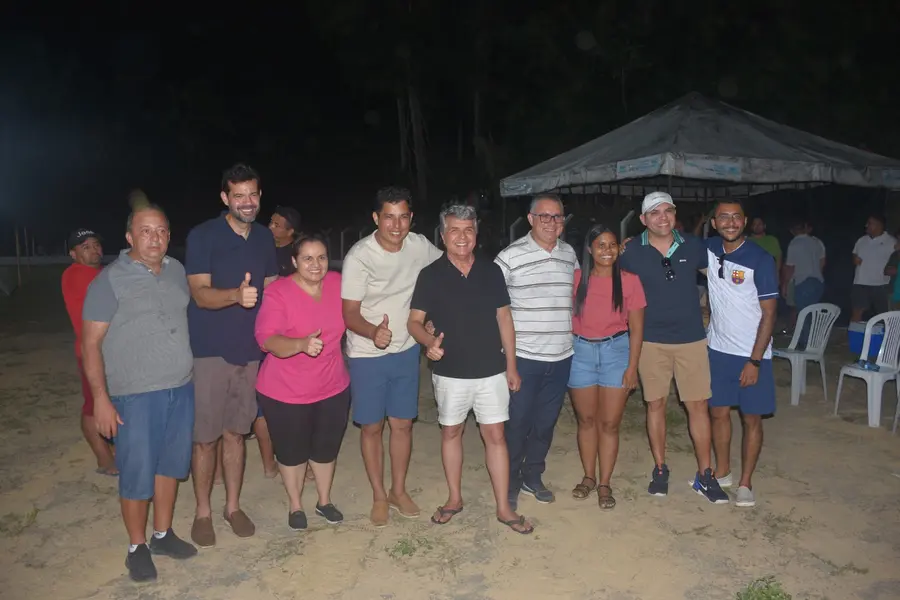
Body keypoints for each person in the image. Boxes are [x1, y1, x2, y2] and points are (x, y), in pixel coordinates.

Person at [82, 202, 197, 582]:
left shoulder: (176, 271)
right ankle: (137, 546)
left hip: (179, 387)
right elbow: (91, 344)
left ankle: (162, 535)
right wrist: (101, 398)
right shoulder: (109, 280)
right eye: (146, 231)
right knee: (137, 472)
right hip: (135, 395)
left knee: (169, 467)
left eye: (162, 230)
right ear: (130, 236)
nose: (155, 238)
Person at [408, 204, 533, 534]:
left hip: (491, 370)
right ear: (443, 234)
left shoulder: (492, 272)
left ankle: (505, 508)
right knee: (451, 432)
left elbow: (504, 319)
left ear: (476, 235)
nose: (461, 236)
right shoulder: (430, 275)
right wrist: (428, 343)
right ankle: (454, 499)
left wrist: (512, 366)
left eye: (468, 230)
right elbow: (414, 322)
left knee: (496, 436)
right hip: (450, 372)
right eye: (454, 230)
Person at [185, 163, 278, 547]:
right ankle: (203, 512)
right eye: (238, 195)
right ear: (225, 198)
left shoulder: (262, 239)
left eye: (252, 194)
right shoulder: (203, 236)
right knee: (205, 438)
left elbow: (272, 289)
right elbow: (200, 295)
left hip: (250, 351)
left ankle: (233, 507)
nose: (247, 202)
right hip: (210, 351)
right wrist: (236, 297)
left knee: (237, 434)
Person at [341, 186, 443, 526]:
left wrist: (431, 314)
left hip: (406, 350)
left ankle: (398, 491)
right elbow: (350, 313)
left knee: (402, 425)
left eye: (403, 218)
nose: (396, 226)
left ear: (411, 219)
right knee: (372, 427)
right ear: (376, 218)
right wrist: (373, 332)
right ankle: (379, 495)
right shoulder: (360, 256)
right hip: (367, 353)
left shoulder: (419, 246)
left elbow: (443, 271)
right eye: (389, 217)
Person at [618, 191, 728, 504]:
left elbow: (719, 282)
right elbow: (617, 290)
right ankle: (660, 469)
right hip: (650, 341)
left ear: (675, 214)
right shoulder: (630, 253)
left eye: (668, 211)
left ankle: (705, 475)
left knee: (698, 407)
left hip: (691, 339)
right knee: (655, 405)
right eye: (654, 212)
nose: (662, 217)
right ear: (643, 220)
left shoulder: (694, 246)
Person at [255, 233, 350, 530]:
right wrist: (300, 345)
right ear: (294, 261)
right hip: (285, 391)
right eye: (307, 258)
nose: (315, 264)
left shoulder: (337, 283)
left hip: (333, 385)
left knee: (325, 448)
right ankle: (295, 506)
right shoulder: (278, 293)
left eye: (321, 257)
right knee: (292, 451)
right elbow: (267, 339)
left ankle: (324, 501)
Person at [495, 193, 577, 508]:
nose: (551, 222)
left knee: (545, 423)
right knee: (517, 424)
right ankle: (511, 482)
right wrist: (508, 363)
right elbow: (494, 309)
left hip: (561, 357)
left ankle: (533, 476)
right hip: (524, 358)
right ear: (530, 219)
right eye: (544, 216)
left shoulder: (569, 254)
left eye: (557, 217)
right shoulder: (509, 257)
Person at [706, 199, 779, 508]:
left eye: (737, 217)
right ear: (714, 223)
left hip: (752, 353)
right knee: (718, 413)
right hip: (717, 350)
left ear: (745, 221)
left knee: (751, 418)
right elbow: (666, 240)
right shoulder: (708, 249)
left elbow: (769, 315)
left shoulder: (761, 259)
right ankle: (723, 472)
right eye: (724, 217)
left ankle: (746, 483)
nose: (731, 222)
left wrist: (754, 360)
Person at [569, 224, 645, 510]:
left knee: (610, 423)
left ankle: (605, 483)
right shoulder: (576, 279)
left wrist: (632, 367)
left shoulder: (630, 281)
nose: (607, 250)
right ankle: (589, 477)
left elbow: (637, 329)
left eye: (612, 244)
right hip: (581, 353)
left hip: (616, 352)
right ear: (589, 249)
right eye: (600, 245)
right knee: (586, 421)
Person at [61, 228, 116, 476]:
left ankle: (111, 451)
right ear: (73, 254)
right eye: (85, 247)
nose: (94, 250)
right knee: (93, 406)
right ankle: (104, 459)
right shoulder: (75, 274)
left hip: (110, 352)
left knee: (107, 403)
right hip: (92, 352)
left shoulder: (101, 274)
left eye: (95, 245)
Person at [782, 219, 826, 344]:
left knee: (803, 315)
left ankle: (804, 345)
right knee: (812, 314)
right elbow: (823, 261)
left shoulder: (794, 243)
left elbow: (790, 267)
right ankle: (814, 342)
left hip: (803, 282)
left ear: (793, 231)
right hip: (818, 281)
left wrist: (785, 284)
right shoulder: (817, 242)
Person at [850, 214, 896, 322]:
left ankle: (887, 338)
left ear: (879, 225)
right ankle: (854, 337)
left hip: (881, 284)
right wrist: (854, 259)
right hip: (860, 282)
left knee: (885, 315)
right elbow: (854, 255)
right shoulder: (861, 240)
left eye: (870, 223)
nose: (866, 225)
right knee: (857, 313)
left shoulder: (891, 241)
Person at [269, 206, 302, 277]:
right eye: (271, 222)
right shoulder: (262, 245)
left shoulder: (297, 254)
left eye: (276, 225)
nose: (270, 226)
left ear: (289, 232)